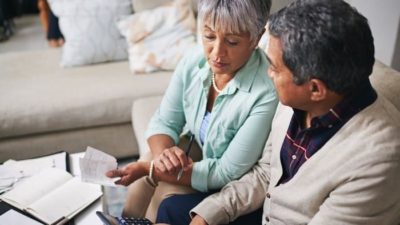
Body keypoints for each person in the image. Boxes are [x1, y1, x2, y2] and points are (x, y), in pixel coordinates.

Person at [156, 0, 400, 224]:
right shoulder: (298, 97)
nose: (267, 73)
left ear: (315, 89)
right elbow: (265, 174)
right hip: (266, 210)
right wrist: (208, 215)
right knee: (172, 209)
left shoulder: (376, 160)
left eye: (273, 67)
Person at [106, 0, 277, 222]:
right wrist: (164, 156)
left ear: (256, 38)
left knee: (161, 188)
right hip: (202, 152)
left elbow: (226, 172)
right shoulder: (194, 61)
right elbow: (163, 122)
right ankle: (125, 221)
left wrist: (150, 169)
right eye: (209, 36)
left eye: (232, 41)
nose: (216, 53)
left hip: (234, 181)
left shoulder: (266, 91)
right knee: (153, 156)